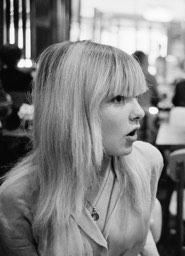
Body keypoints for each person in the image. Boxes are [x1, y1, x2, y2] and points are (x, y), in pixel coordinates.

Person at [0, 41, 164, 256]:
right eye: (119, 98)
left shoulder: (147, 161)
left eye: (135, 96)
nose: (138, 112)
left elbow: (143, 239)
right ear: (74, 109)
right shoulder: (18, 196)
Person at [0, 44, 33, 130]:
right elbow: (30, 99)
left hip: (4, 116)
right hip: (23, 115)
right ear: (18, 58)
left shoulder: (1, 76)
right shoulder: (26, 77)